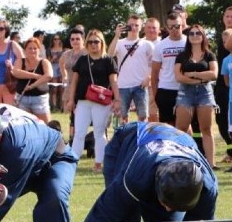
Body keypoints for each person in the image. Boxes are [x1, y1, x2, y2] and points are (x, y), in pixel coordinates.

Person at [0, 102, 76, 222]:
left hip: (53, 159)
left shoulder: (17, 147)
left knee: (54, 198)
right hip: (21, 160)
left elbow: (1, 200)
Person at [83, 122, 217, 222]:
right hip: (126, 143)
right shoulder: (135, 178)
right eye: (167, 203)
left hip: (168, 142)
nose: (169, 209)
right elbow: (103, 219)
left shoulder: (208, 187)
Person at [65, 30, 120, 171]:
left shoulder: (108, 60)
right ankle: (73, 162)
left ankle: (98, 163)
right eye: (90, 42)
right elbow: (74, 81)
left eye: (96, 41)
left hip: (102, 102)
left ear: (102, 43)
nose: (93, 44)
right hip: (83, 100)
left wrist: (117, 99)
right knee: (79, 133)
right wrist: (71, 100)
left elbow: (113, 81)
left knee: (99, 133)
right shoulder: (83, 60)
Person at [174, 24, 218, 168]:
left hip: (205, 93)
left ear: (203, 36)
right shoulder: (182, 56)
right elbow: (179, 77)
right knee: (181, 128)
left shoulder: (209, 55)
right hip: (185, 93)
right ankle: (182, 160)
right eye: (191, 34)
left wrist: (194, 75)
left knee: (206, 128)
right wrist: (201, 78)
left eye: (198, 33)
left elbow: (214, 74)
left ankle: (211, 164)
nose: (194, 36)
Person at [108, 14, 153, 123]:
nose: (133, 28)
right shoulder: (119, 43)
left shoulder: (147, 44)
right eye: (131, 25)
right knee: (122, 116)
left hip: (140, 85)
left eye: (136, 25)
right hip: (123, 85)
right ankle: (123, 137)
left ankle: (141, 138)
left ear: (141, 27)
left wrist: (149, 78)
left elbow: (154, 64)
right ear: (126, 26)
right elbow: (109, 54)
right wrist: (116, 35)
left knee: (142, 116)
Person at [150, 12, 186, 126]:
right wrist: (156, 95)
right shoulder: (160, 45)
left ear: (182, 25)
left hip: (185, 88)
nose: (174, 29)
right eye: (171, 27)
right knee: (167, 126)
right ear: (166, 28)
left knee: (184, 125)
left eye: (177, 26)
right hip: (165, 89)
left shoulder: (189, 42)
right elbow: (154, 72)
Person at [10, 37, 52, 124]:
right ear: (25, 50)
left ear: (39, 50)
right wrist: (35, 76)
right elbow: (15, 72)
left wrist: (33, 85)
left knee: (45, 125)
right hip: (22, 99)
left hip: (40, 99)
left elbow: (49, 75)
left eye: (35, 48)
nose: (32, 50)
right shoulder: (20, 61)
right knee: (23, 125)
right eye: (29, 48)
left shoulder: (44, 62)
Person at [216, 6, 232, 163]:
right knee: (221, 119)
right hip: (222, 84)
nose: (230, 19)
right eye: (227, 16)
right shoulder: (221, 37)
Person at [48, 34, 64, 111]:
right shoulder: (50, 49)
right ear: (52, 40)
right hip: (53, 67)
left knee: (62, 88)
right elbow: (48, 62)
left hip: (61, 67)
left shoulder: (63, 49)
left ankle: (62, 106)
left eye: (58, 39)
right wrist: (53, 59)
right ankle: (54, 106)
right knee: (54, 88)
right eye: (55, 39)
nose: (56, 40)